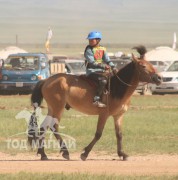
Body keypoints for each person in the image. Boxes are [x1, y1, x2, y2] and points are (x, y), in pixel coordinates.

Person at [84, 31, 118, 108]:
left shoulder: (102, 49)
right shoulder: (88, 50)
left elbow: (108, 60)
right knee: (103, 81)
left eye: (91, 40)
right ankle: (96, 99)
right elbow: (92, 62)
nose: (90, 41)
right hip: (91, 72)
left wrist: (113, 67)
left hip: (101, 71)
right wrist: (103, 66)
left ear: (98, 40)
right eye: (89, 40)